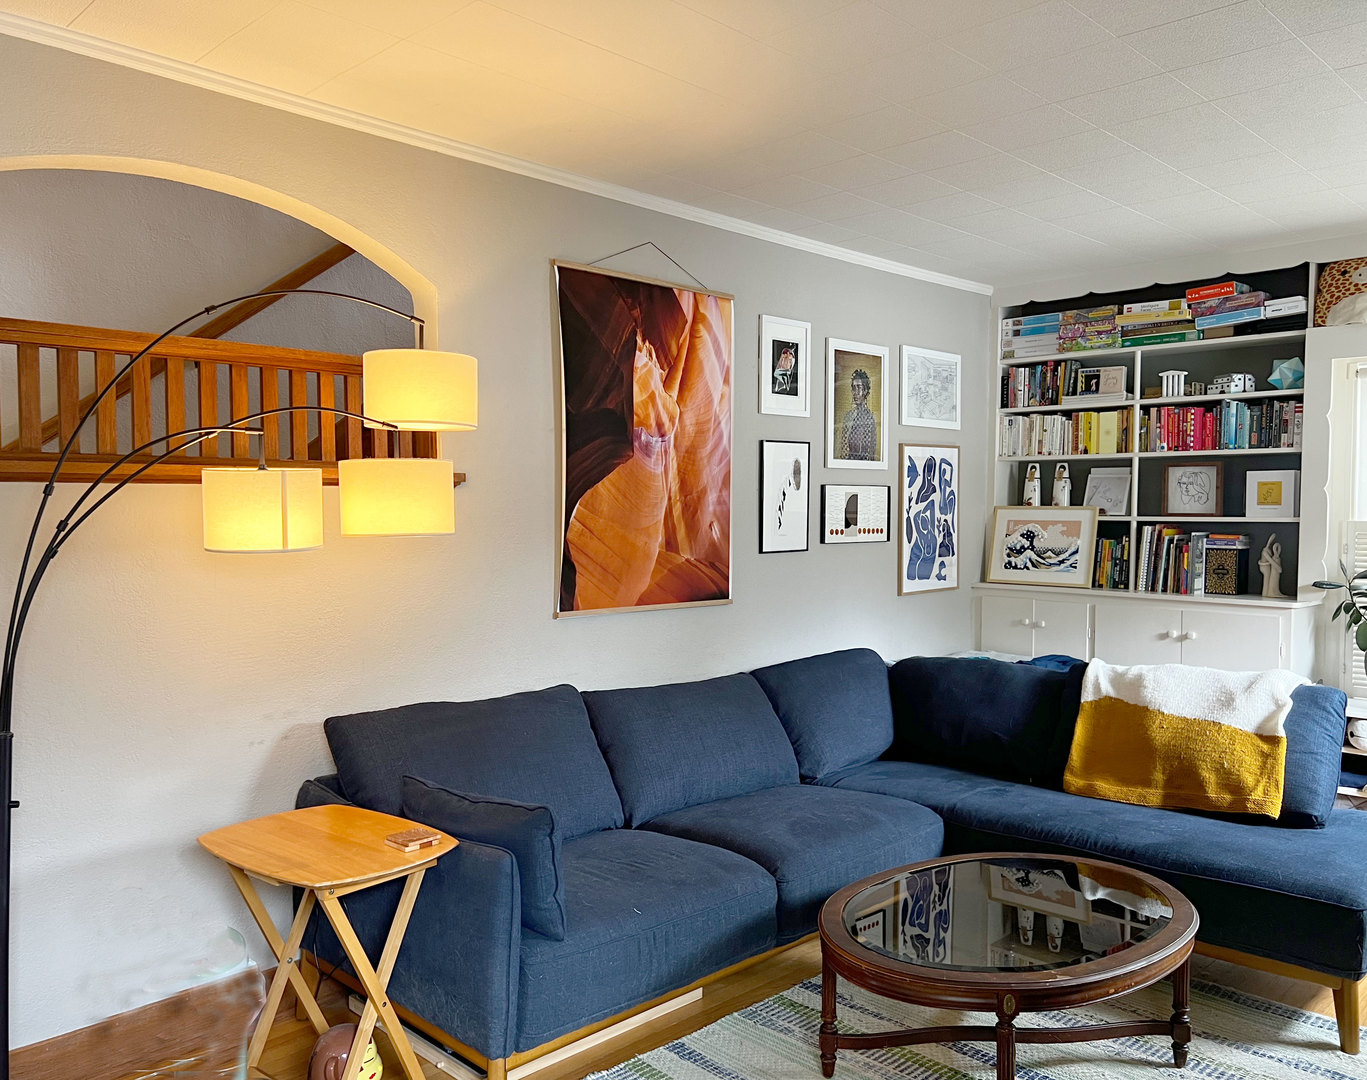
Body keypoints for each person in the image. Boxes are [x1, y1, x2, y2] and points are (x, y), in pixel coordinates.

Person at [840, 368, 876, 460]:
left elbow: (871, 452)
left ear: (865, 390)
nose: (855, 393)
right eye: (853, 388)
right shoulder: (848, 417)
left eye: (859, 388)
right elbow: (843, 448)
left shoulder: (870, 418)